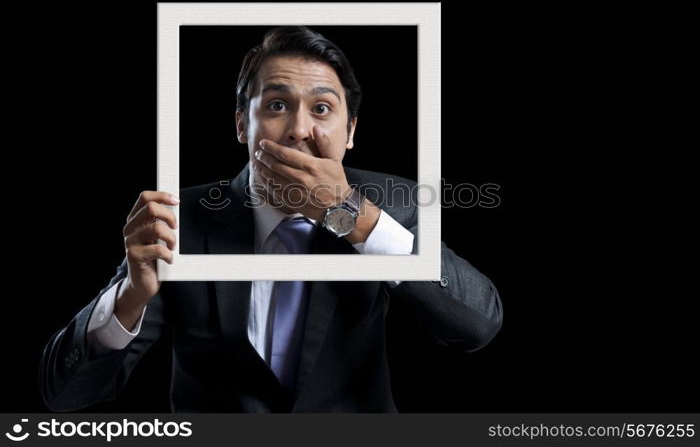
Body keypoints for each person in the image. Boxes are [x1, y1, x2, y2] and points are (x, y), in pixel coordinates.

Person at [40, 26, 503, 412]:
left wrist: (348, 215)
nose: (300, 130)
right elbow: (65, 395)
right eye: (277, 105)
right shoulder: (182, 219)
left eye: (322, 108)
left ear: (352, 131)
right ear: (242, 123)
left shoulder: (390, 201)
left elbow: (476, 325)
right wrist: (130, 297)